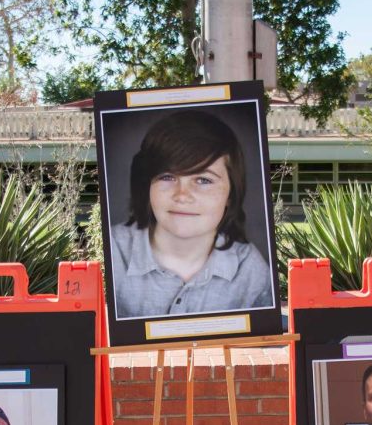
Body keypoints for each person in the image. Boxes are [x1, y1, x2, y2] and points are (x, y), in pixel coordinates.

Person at [109, 109, 274, 319]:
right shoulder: (114, 252)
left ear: (231, 194)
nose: (182, 195)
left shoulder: (251, 269)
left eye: (204, 180)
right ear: (147, 185)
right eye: (167, 176)